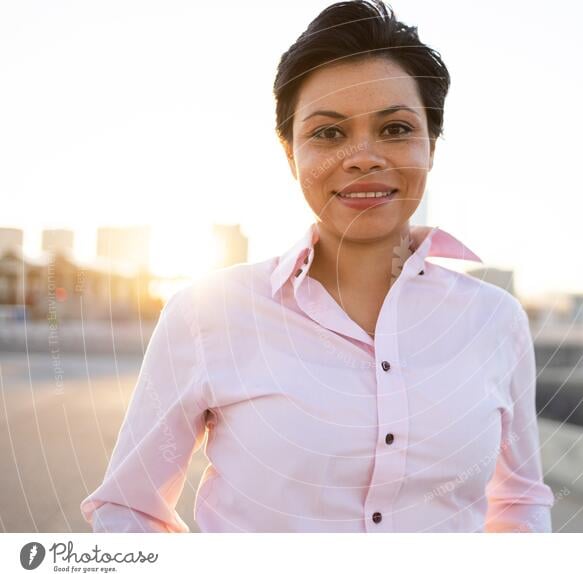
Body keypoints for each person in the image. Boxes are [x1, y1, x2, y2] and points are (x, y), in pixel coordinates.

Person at [80, 0, 555, 533]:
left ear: (431, 146)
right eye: (328, 133)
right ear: (290, 154)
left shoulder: (495, 321)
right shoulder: (206, 314)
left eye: (396, 129)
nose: (363, 156)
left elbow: (520, 501)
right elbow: (130, 507)